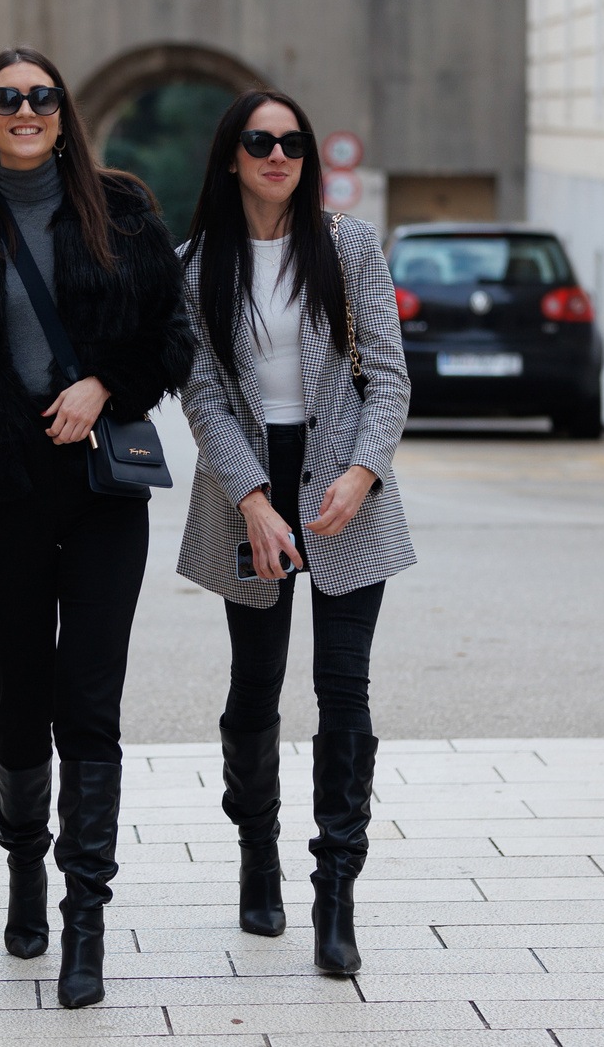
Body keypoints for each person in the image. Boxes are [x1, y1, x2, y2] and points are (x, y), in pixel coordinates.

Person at [0, 47, 193, 1009]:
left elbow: (172, 337)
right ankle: (25, 863)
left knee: (91, 701)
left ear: (64, 115)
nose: (25, 109)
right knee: (20, 694)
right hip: (0, 488)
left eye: (41, 96)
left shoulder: (124, 210)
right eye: (7, 98)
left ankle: (86, 919)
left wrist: (104, 381)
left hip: (103, 486)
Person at [176, 89, 416, 975]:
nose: (278, 155)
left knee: (344, 690)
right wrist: (251, 494)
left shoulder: (348, 246)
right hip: (249, 482)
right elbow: (201, 394)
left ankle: (336, 894)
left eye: (293, 142)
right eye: (259, 141)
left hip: (344, 476)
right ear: (231, 157)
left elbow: (387, 373)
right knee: (256, 685)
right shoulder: (197, 264)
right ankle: (257, 858)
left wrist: (362, 471)